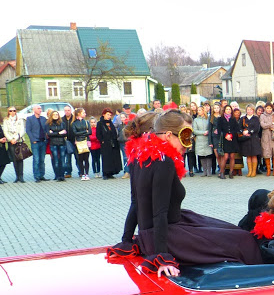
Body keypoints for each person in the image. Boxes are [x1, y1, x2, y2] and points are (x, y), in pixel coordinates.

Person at [110, 109, 262, 275]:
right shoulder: (164, 162)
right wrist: (161, 257)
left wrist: (126, 240)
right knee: (243, 240)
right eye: (185, 136)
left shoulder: (138, 156)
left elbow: (135, 203)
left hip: (159, 232)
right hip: (168, 236)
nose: (188, 144)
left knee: (234, 230)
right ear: (169, 135)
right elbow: (159, 213)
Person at [2, 106, 26, 183]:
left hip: (18, 140)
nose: (12, 112)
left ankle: (21, 176)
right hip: (11, 141)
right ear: (8, 112)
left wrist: (16, 138)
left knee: (20, 158)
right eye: (10, 111)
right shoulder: (6, 120)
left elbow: (22, 130)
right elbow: (5, 131)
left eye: (14, 111)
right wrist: (11, 139)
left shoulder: (20, 119)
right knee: (14, 159)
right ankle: (17, 176)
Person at [97, 108, 122, 179]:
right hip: (105, 144)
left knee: (112, 158)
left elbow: (114, 132)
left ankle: (111, 173)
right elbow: (98, 134)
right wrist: (102, 140)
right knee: (106, 159)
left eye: (110, 115)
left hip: (113, 143)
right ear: (104, 114)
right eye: (107, 115)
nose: (109, 116)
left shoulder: (111, 123)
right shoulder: (100, 123)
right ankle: (105, 173)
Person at [25, 104, 47, 182]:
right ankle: (36, 176)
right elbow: (28, 130)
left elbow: (46, 129)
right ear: (34, 110)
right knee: (36, 159)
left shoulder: (43, 119)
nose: (40, 110)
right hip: (35, 142)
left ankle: (42, 175)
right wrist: (33, 139)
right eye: (38, 108)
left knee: (42, 159)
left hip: (43, 141)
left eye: (40, 108)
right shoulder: (30, 119)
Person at [238, 105, 261, 177]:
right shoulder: (243, 118)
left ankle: (254, 171)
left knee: (254, 155)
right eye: (248, 109)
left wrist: (249, 132)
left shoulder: (256, 118)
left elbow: (257, 128)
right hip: (246, 139)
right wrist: (243, 132)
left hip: (254, 138)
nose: (249, 111)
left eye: (251, 110)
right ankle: (249, 171)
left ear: (253, 110)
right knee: (248, 156)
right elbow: (239, 128)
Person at [260, 103, 274, 178]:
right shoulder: (262, 115)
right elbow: (263, 125)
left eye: (270, 108)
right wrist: (271, 124)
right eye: (267, 108)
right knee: (266, 153)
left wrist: (269, 125)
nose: (269, 109)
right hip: (266, 136)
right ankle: (268, 170)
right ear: (265, 108)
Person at [45, 110, 68, 181]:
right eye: (54, 114)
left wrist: (54, 133)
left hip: (62, 143)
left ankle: (62, 176)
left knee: (62, 160)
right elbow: (49, 134)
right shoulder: (48, 124)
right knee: (56, 161)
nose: (55, 115)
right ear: (51, 116)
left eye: (57, 114)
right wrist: (59, 133)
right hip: (53, 144)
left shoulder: (62, 123)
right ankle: (57, 176)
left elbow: (65, 133)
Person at [70, 108, 92, 181]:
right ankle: (82, 174)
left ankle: (87, 174)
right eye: (83, 113)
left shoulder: (86, 122)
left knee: (86, 159)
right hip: (78, 142)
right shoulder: (74, 123)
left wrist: (82, 133)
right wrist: (85, 132)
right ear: (79, 114)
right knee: (80, 159)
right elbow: (75, 133)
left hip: (86, 141)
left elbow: (90, 132)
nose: (85, 114)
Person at [193, 106, 213, 176]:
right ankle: (204, 171)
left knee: (208, 155)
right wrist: (203, 132)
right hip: (200, 139)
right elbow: (194, 130)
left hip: (207, 139)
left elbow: (211, 128)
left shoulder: (208, 119)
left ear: (203, 111)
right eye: (198, 110)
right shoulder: (196, 120)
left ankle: (209, 171)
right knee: (201, 155)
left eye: (200, 110)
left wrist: (208, 132)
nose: (198, 111)